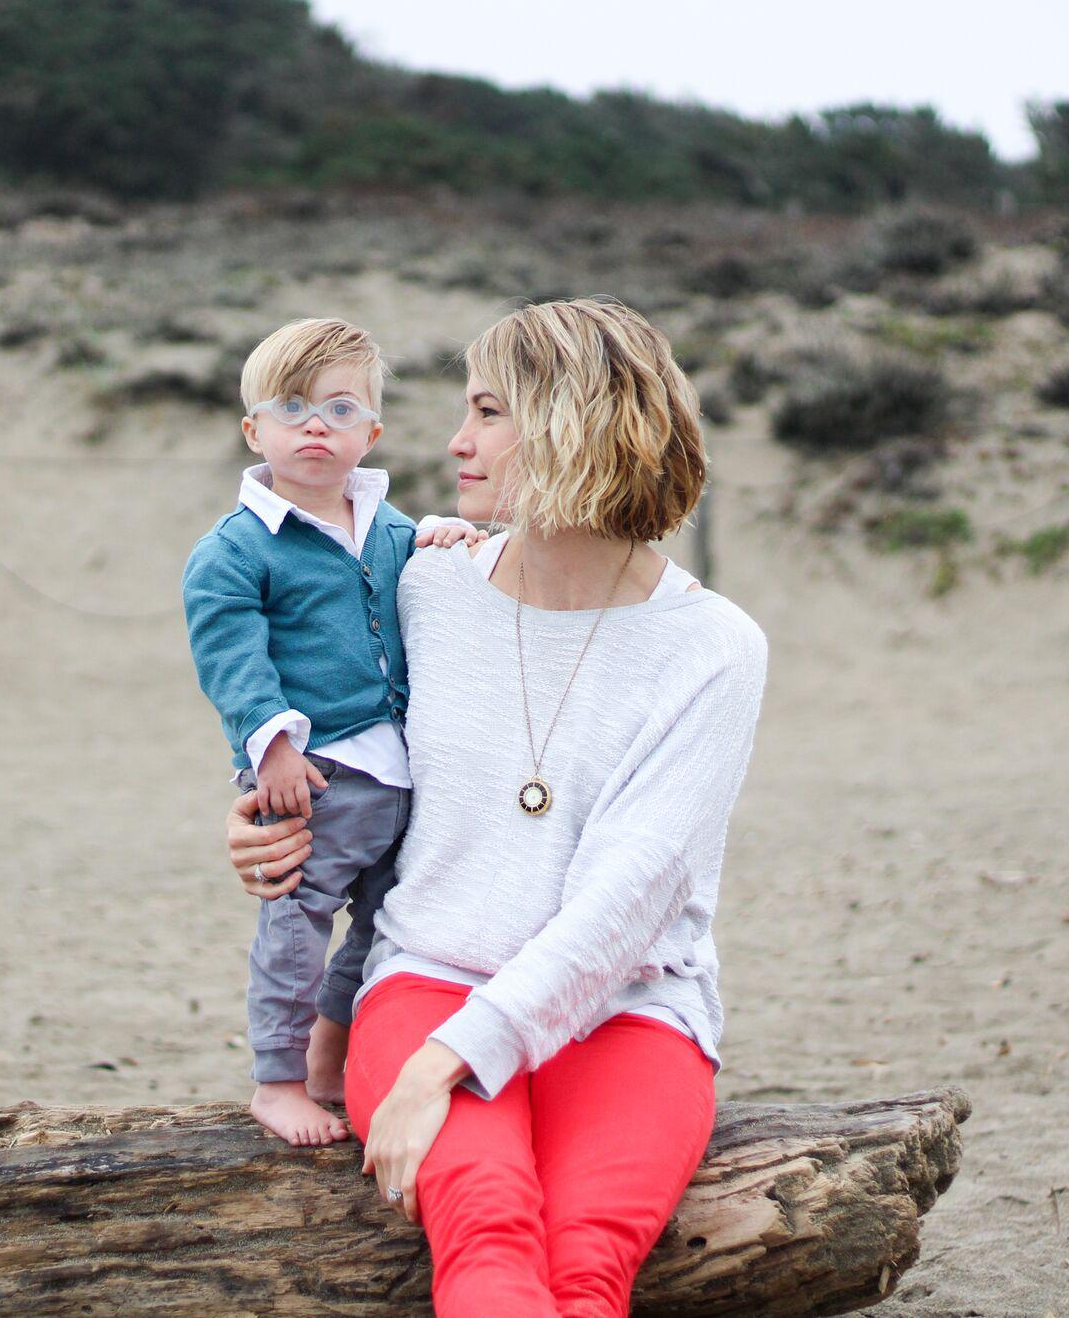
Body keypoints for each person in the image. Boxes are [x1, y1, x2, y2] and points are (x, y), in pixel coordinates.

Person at [225, 298, 770, 1314]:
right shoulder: (421, 589)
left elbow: (628, 903)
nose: (454, 442)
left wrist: (444, 1068)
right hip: (427, 976)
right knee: (484, 1229)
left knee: (586, 1261)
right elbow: (324, 736)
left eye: (487, 412)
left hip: (628, 1007)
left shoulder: (711, 648)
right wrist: (256, 815)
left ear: (573, 425)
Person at [182, 317, 478, 1146]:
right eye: (293, 406)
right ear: (255, 430)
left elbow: (411, 570)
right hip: (308, 772)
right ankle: (275, 1079)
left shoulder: (387, 526)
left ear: (371, 432)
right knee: (296, 917)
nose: (317, 423)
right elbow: (231, 656)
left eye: (341, 408)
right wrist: (270, 744)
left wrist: (437, 536)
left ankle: (324, 1053)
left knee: (386, 924)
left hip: (397, 773)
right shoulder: (237, 550)